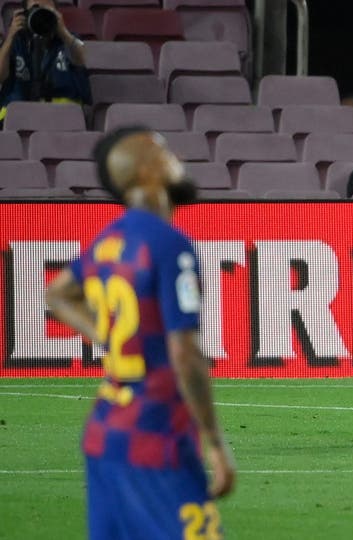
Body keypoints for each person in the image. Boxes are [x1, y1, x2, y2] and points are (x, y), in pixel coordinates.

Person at [45, 127, 236, 539]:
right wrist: (215, 443)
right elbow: (185, 354)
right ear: (148, 171)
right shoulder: (168, 244)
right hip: (156, 438)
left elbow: (57, 295)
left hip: (105, 438)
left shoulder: (109, 241)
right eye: (165, 151)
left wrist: (109, 335)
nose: (176, 158)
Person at [0, 0, 91, 124]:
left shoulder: (68, 40)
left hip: (63, 119)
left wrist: (63, 32)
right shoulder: (16, 41)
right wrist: (11, 35)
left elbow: (82, 59)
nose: (40, 15)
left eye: (46, 11)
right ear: (25, 14)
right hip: (15, 119)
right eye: (36, 10)